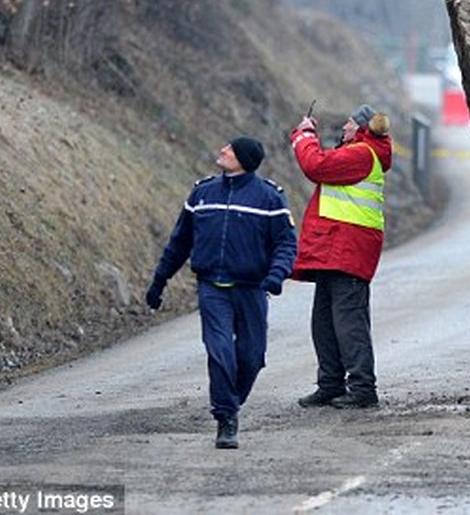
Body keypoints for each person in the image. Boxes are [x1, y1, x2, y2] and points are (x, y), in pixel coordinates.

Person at [145, 136, 296, 449]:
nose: (222, 150)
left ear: (243, 158)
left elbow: (286, 244)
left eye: (230, 148)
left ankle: (230, 401)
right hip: (212, 287)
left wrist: (276, 276)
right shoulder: (203, 193)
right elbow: (179, 243)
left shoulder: (269, 198)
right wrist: (159, 281)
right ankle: (226, 418)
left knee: (252, 358)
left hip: (252, 289)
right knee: (219, 351)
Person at [289, 104, 392, 409]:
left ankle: (362, 389)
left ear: (361, 128)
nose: (343, 128)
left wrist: (304, 135)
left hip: (348, 250)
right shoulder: (361, 152)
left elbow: (316, 166)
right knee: (324, 322)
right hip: (336, 249)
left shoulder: (361, 154)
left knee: (349, 324)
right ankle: (331, 384)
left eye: (348, 124)